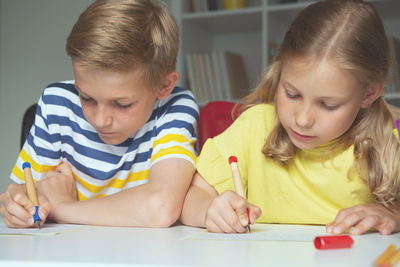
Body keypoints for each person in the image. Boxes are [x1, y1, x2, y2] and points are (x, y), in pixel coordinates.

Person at [180, 0, 400, 235]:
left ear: (369, 94)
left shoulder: (392, 137)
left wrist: (395, 213)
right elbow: (193, 196)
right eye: (292, 94)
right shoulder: (254, 127)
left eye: (328, 105)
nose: (303, 119)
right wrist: (209, 210)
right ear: (280, 72)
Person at [0, 0, 199, 228]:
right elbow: (23, 190)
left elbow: (161, 207)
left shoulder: (175, 107)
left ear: (164, 86)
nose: (100, 119)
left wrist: (62, 206)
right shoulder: (57, 103)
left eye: (122, 104)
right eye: (86, 97)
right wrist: (17, 204)